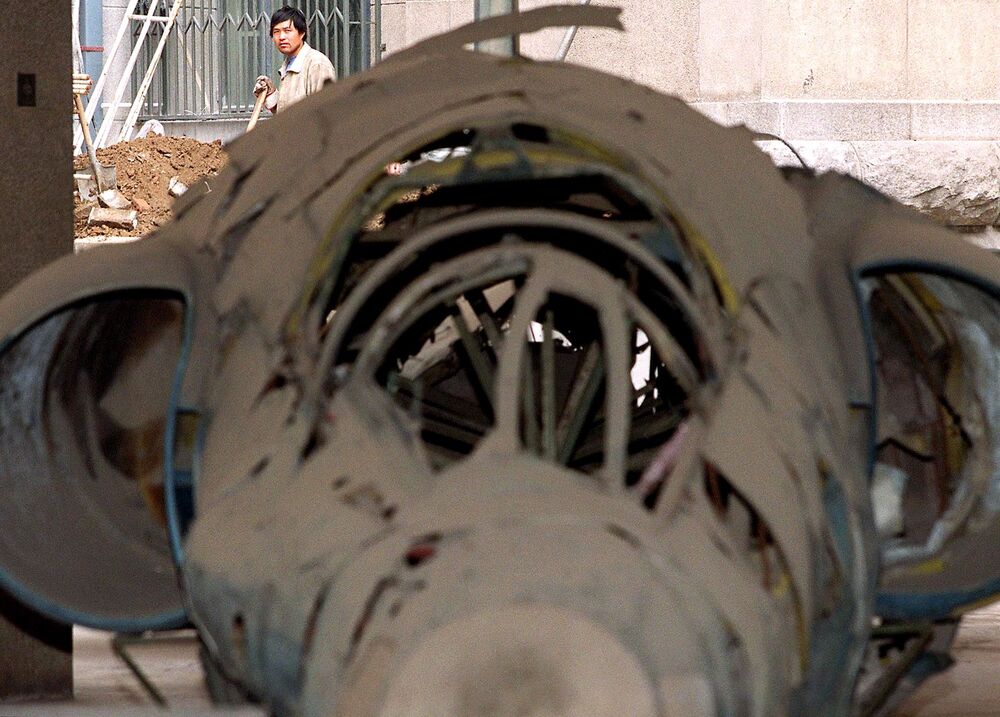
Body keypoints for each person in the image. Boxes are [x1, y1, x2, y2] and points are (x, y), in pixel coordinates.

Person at [253, 6, 335, 114]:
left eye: (287, 30)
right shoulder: (289, 65)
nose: (281, 37)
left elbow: (326, 113)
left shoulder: (317, 64)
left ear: (301, 33)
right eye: (276, 31)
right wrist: (270, 94)